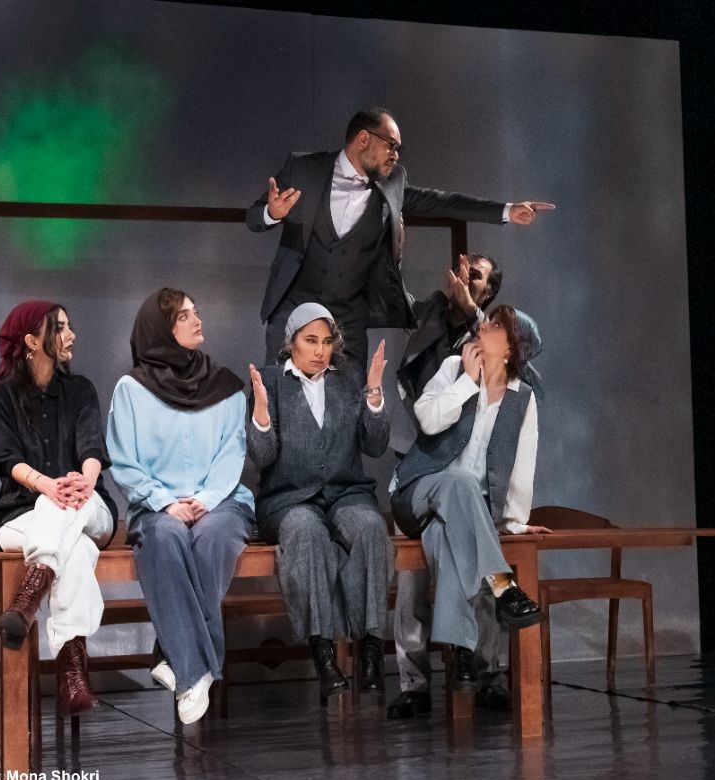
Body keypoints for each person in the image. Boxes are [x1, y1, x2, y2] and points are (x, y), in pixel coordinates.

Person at [246, 106, 554, 366]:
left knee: (350, 404)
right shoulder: (304, 169)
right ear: (363, 139)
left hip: (348, 319)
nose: (396, 155)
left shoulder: (392, 184)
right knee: (276, 396)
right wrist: (272, 212)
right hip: (293, 306)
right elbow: (254, 217)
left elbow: (442, 202)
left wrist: (507, 210)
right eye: (391, 146)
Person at [388, 305, 549, 719]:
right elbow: (427, 420)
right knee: (459, 485)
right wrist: (466, 383)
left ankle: (459, 663)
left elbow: (522, 464)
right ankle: (503, 586)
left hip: (465, 514)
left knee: (449, 543)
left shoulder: (523, 400)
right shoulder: (452, 368)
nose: (482, 326)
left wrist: (513, 522)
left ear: (511, 348)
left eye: (494, 325)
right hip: (419, 492)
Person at [106, 288, 255, 725]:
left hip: (221, 502)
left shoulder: (226, 386)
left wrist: (205, 500)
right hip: (157, 507)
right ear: (160, 330)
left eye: (196, 311)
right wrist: (164, 502)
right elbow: (124, 461)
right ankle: (194, 672)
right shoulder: (131, 390)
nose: (197, 320)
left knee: (212, 538)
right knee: (166, 536)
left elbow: (233, 452)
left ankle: (172, 655)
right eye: (184, 316)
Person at [246, 303, 391, 704]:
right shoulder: (270, 382)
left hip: (346, 493)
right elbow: (261, 457)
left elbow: (375, 445)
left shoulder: (349, 379)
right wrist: (261, 414)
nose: (320, 350)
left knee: (371, 528)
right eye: (310, 341)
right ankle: (323, 654)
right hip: (288, 498)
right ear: (290, 342)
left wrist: (374, 393)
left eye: (326, 342)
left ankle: (371, 649)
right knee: (306, 532)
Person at [0, 300, 118, 717]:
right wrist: (48, 486)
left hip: (88, 507)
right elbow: (6, 460)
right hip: (20, 516)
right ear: (31, 341)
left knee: (66, 518)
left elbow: (92, 448)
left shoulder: (80, 390)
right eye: (59, 327)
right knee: (72, 548)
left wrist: (85, 482)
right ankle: (72, 677)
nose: (70, 334)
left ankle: (28, 598)